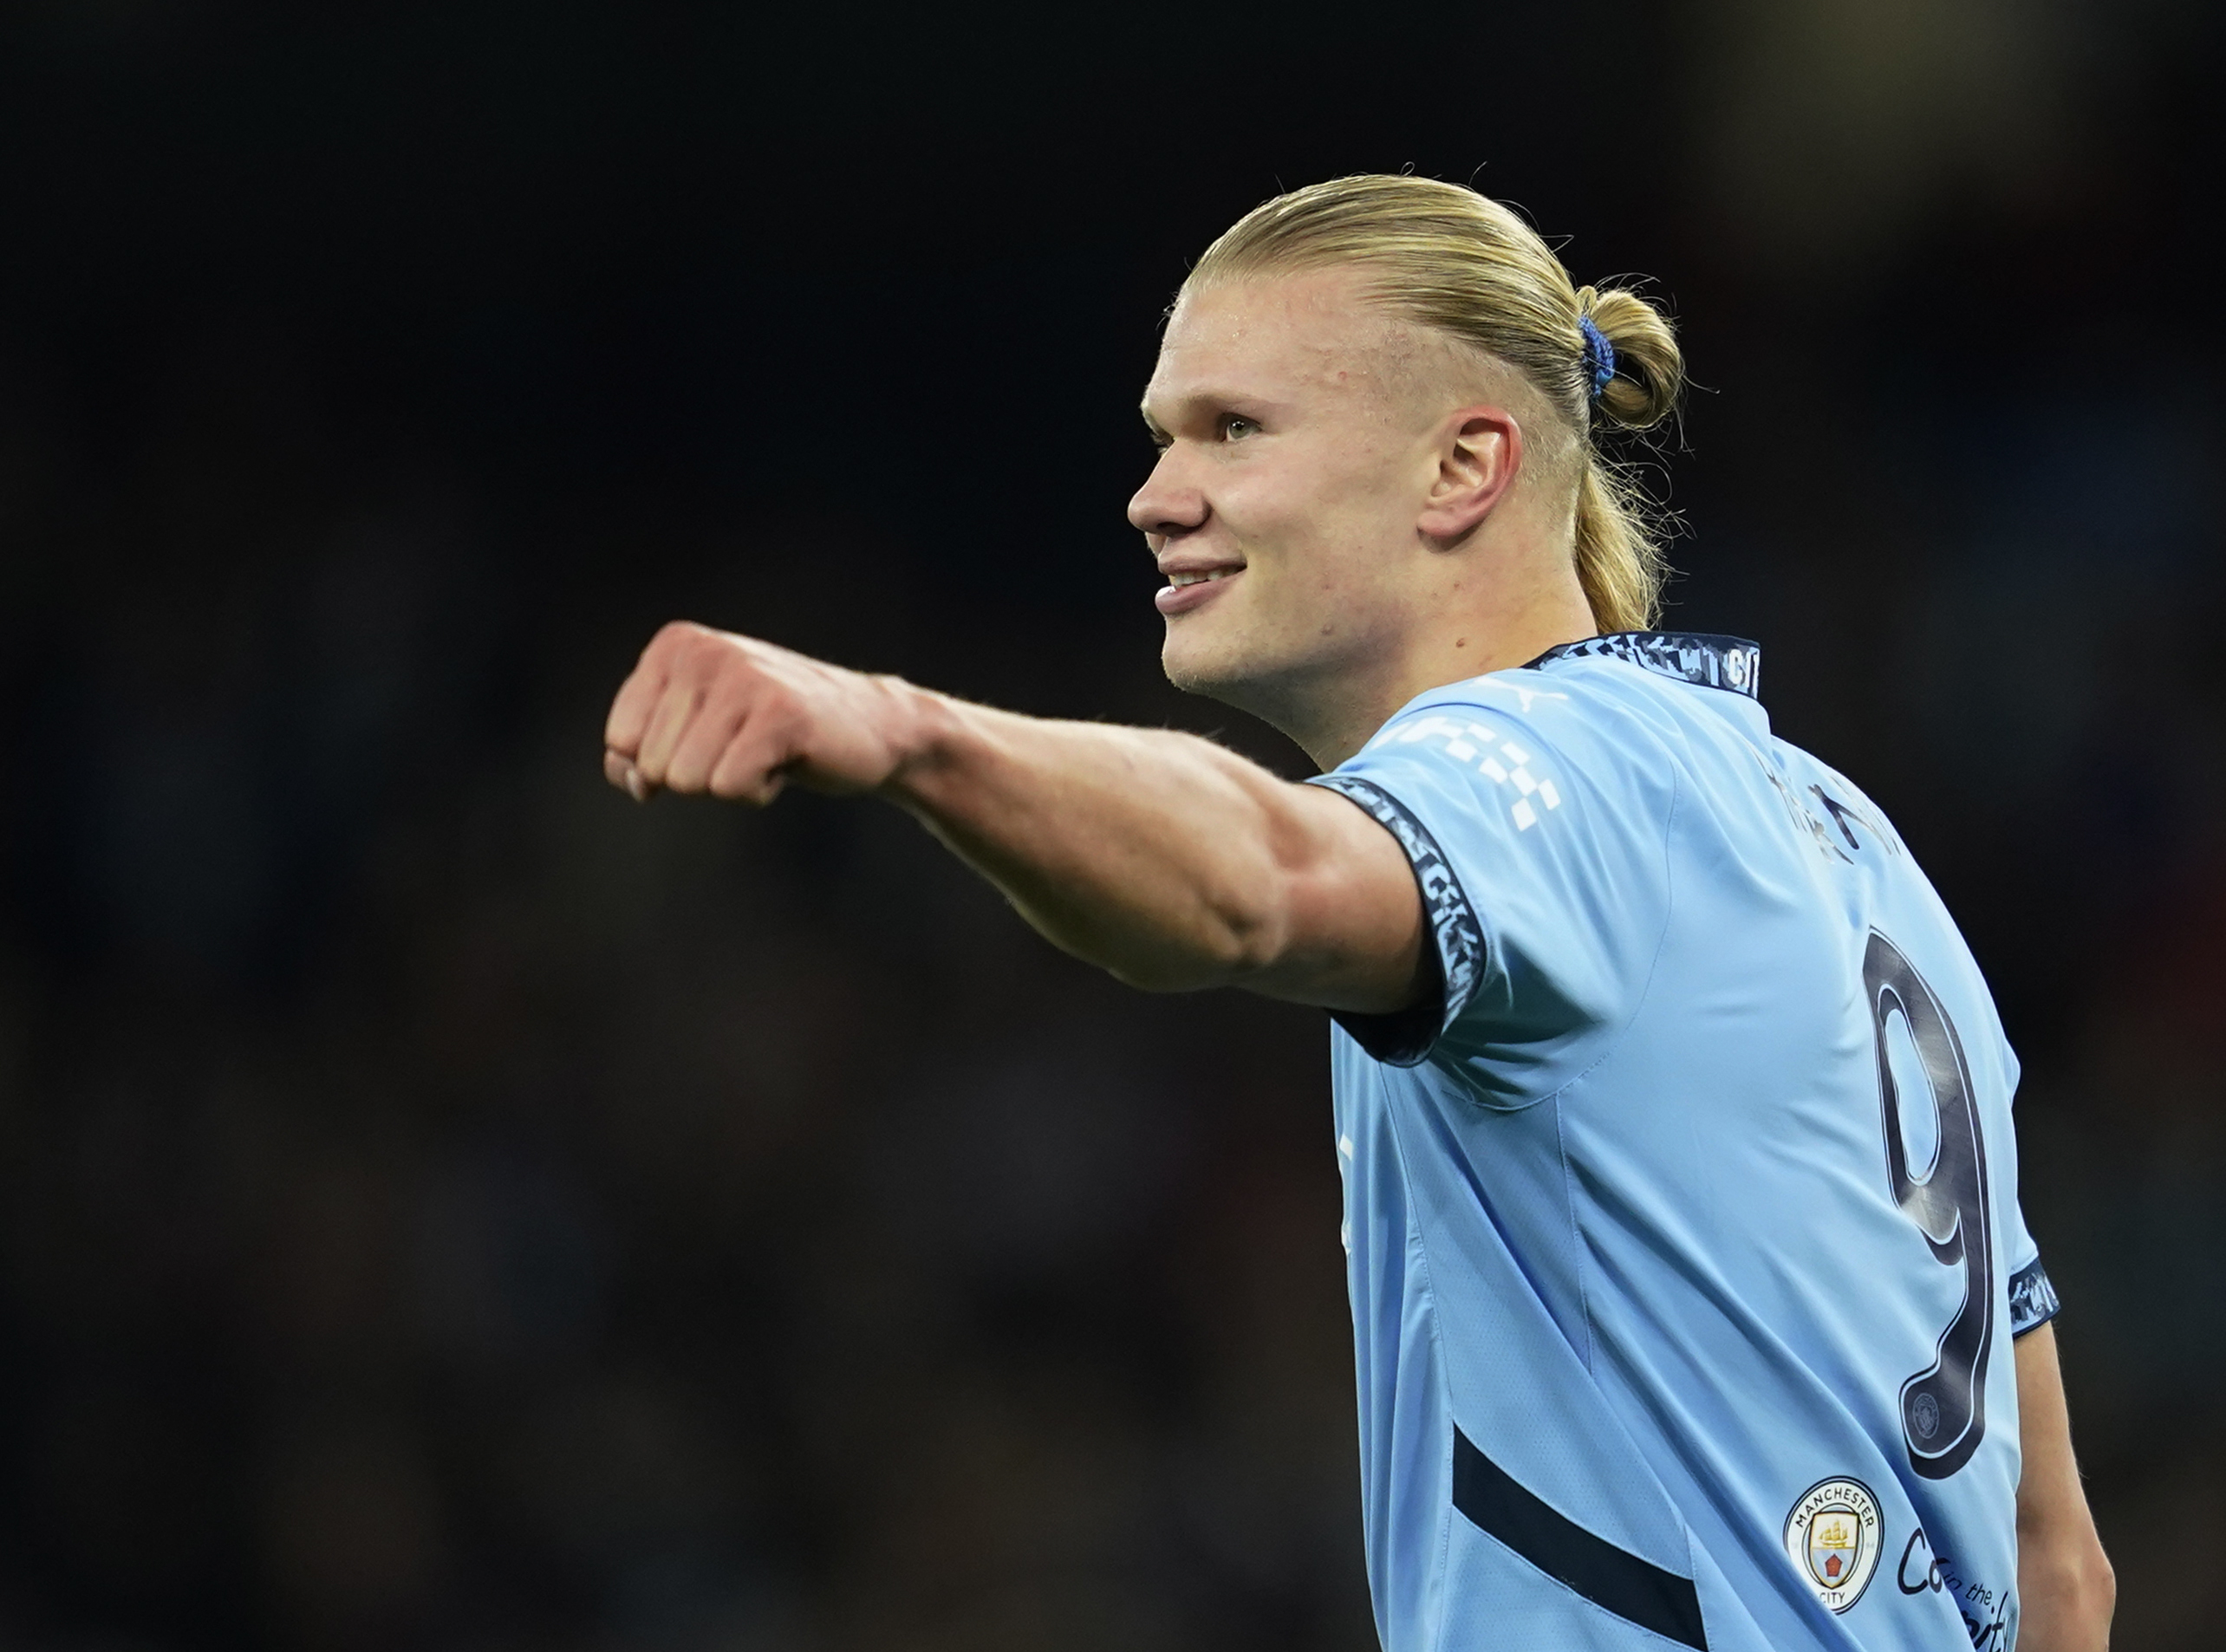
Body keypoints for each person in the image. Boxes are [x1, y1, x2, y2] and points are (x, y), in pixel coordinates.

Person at [600, 175, 2114, 1651]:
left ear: (1463, 467)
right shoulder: (1844, 837)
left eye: (1234, 429)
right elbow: (2059, 1564)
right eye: (1163, 435)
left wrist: (905, 731)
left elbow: (1262, 883)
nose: (1154, 496)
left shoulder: (1548, 770)